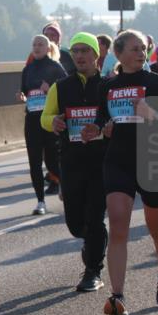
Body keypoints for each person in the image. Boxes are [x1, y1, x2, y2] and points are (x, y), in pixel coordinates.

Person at [80, 30, 158, 315]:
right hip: (118, 161)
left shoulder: (156, 82)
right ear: (119, 54)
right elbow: (103, 119)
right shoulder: (109, 86)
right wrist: (96, 129)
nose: (141, 53)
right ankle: (117, 296)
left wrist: (152, 114)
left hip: (153, 161)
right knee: (118, 224)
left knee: (157, 229)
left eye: (144, 48)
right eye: (135, 48)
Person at [41, 33, 108, 292]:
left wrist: (104, 128)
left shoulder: (107, 85)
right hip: (71, 160)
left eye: (84, 50)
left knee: (94, 217)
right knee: (75, 222)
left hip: (101, 161)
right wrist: (53, 122)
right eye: (75, 50)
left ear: (95, 55)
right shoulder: (61, 86)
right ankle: (91, 242)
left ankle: (93, 270)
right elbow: (45, 117)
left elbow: (116, 120)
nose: (79, 55)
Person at [19, 35, 67, 214]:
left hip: (49, 120)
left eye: (41, 44)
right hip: (32, 120)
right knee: (34, 163)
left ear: (48, 48)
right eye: (34, 44)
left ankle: (64, 184)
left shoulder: (55, 67)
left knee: (52, 162)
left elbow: (67, 88)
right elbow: (25, 90)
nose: (37, 47)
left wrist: (51, 89)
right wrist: (22, 96)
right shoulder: (28, 69)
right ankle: (40, 202)